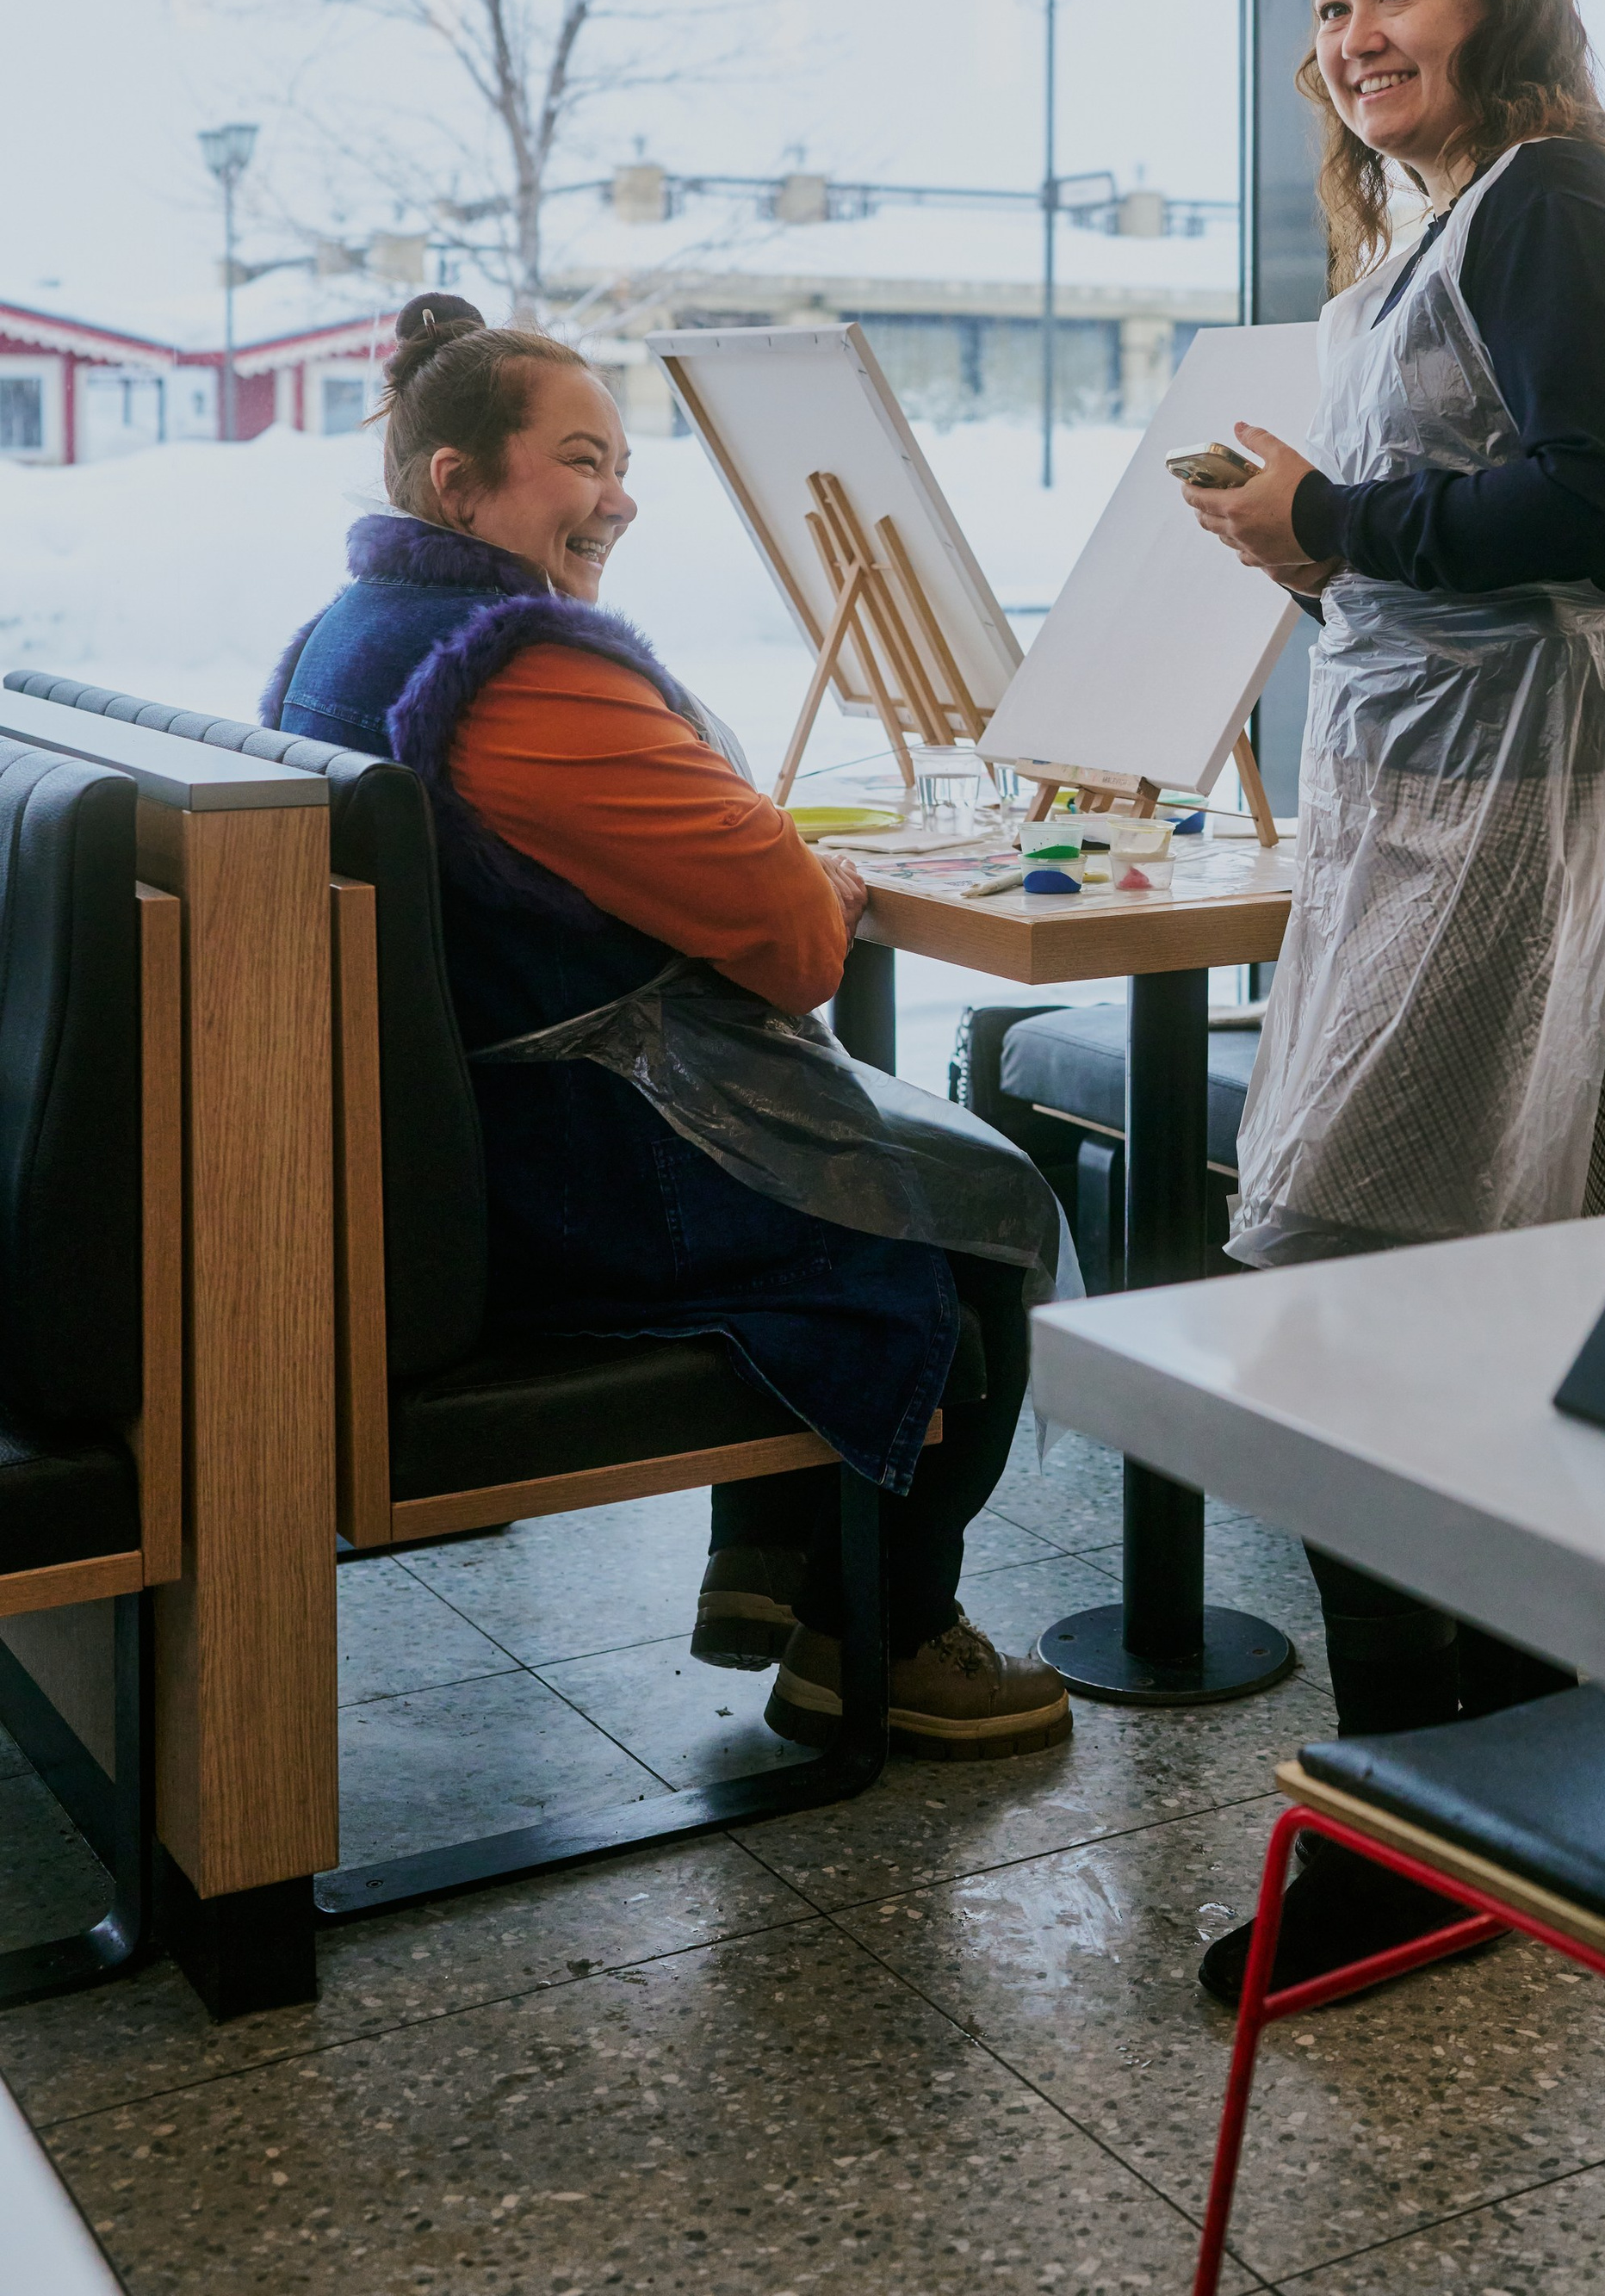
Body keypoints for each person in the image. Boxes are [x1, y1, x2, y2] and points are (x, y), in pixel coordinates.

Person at [266, 295, 1072, 1763]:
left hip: (445, 1155)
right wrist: (797, 873)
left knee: (873, 1161)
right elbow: (798, 943)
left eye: (622, 461)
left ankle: (768, 1562)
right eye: (581, 459)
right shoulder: (526, 675)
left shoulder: (349, 632)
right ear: (463, 485)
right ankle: (875, 1638)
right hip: (564, 1173)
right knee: (973, 1212)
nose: (620, 496)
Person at [1179, 0, 1605, 2004]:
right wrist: (1316, 560)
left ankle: (1419, 1830)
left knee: (1328, 1277)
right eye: (1328, 6)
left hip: (1493, 814)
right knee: (1429, 1292)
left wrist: (1334, 514)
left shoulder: (1556, 196)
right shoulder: (1443, 221)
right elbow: (1481, 523)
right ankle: (1479, 1791)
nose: (1352, 37)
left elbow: (1593, 510)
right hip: (1419, 788)